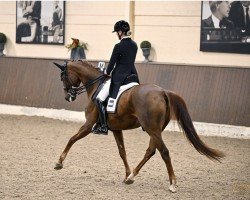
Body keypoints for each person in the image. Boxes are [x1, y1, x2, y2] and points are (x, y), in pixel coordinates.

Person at [92, 20, 140, 135]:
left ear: (120, 32)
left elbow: (112, 63)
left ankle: (103, 126)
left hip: (119, 77)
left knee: (99, 99)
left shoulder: (118, 46)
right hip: (133, 77)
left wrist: (107, 73)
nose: (117, 35)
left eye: (117, 33)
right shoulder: (134, 45)